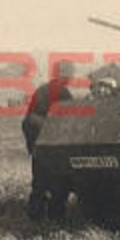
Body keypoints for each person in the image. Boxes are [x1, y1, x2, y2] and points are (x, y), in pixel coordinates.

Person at [22, 60, 74, 220]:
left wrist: (33, 147)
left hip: (37, 141)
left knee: (39, 183)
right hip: (52, 142)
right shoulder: (63, 93)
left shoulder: (41, 90)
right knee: (60, 183)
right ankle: (56, 218)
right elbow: (68, 121)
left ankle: (35, 217)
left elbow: (28, 120)